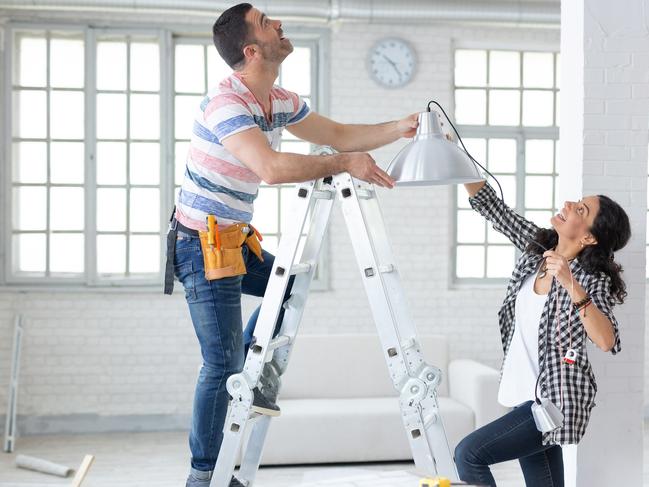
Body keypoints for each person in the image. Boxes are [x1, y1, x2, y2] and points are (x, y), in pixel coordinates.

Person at [164, 4, 419, 486]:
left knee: (294, 284)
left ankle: (253, 374)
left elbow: (339, 134)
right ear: (251, 49)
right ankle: (203, 477)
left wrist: (400, 127)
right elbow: (271, 168)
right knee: (221, 363)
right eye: (266, 22)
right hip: (199, 244)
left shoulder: (278, 99)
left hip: (235, 239)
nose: (279, 23)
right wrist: (344, 163)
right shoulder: (226, 103)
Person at [453, 179, 631, 487]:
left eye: (581, 209)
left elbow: (606, 340)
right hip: (521, 396)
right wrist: (455, 156)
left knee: (469, 454)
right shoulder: (537, 249)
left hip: (555, 402)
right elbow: (495, 209)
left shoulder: (590, 279)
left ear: (588, 236)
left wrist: (569, 282)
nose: (568, 205)